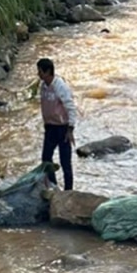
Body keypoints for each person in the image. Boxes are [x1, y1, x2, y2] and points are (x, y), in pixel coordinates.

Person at [36, 57, 77, 191]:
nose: (38, 74)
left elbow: (70, 107)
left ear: (48, 72)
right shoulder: (43, 86)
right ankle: (53, 186)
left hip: (63, 128)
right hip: (50, 127)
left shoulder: (60, 86)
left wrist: (70, 129)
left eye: (40, 71)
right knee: (46, 159)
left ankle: (68, 191)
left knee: (65, 163)